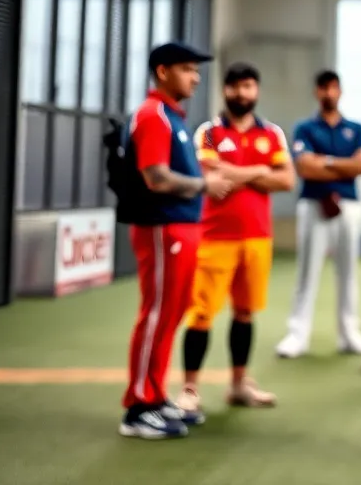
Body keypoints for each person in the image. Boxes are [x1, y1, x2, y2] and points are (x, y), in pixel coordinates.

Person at [114, 42, 232, 440]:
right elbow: (156, 177)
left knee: (170, 314)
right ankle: (137, 406)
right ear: (162, 72)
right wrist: (205, 183)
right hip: (161, 229)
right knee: (155, 314)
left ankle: (155, 395)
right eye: (186, 69)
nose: (195, 77)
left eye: (196, 70)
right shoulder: (153, 117)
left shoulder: (172, 117)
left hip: (181, 228)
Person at [175, 62, 295, 416]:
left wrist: (240, 172)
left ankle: (239, 385)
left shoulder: (272, 133)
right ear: (225, 90)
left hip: (258, 238)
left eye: (248, 86)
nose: (241, 93)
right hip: (215, 237)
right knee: (201, 315)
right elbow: (211, 174)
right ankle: (190, 388)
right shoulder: (209, 132)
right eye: (235, 87)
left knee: (244, 313)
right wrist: (261, 171)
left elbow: (287, 180)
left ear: (256, 91)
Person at [276, 70, 361, 358]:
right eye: (323, 88)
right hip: (314, 204)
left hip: (348, 206)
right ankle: (298, 334)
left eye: (333, 88)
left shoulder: (355, 129)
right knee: (307, 270)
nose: (328, 93)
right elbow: (305, 167)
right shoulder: (305, 128)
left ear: (340, 91)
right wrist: (345, 163)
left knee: (348, 271)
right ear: (316, 92)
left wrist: (326, 163)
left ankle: (350, 333)